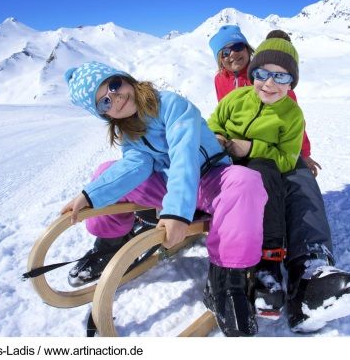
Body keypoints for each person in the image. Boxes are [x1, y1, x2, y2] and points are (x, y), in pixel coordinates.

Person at [61, 61, 267, 337]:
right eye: (104, 103)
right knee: (105, 173)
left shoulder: (171, 104)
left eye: (113, 85)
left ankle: (227, 279)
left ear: (124, 79)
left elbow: (185, 153)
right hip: (171, 188)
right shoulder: (128, 130)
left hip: (209, 180)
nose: (116, 98)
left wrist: (175, 213)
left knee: (245, 182)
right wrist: (89, 195)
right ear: (104, 114)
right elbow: (136, 166)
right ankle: (110, 244)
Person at [208, 28, 350, 332]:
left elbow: (293, 130)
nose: (232, 55)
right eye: (224, 52)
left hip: (272, 150)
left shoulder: (283, 95)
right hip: (236, 156)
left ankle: (311, 268)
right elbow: (216, 121)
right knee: (263, 180)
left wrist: (300, 155)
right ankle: (259, 264)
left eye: (237, 48)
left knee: (298, 178)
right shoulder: (229, 87)